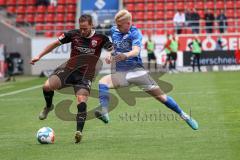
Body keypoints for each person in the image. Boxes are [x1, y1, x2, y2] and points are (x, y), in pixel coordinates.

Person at [94, 9, 198, 130]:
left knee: (161, 97)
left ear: (128, 23)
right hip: (121, 73)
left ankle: (184, 116)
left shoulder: (135, 32)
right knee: (103, 82)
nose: (117, 27)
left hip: (137, 72)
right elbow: (114, 47)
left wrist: (125, 55)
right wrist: (111, 54)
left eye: (120, 25)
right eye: (116, 25)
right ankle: (104, 111)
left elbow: (136, 51)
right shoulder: (114, 30)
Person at [30, 14, 113, 143]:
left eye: (85, 28)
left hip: (85, 76)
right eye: (81, 28)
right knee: (46, 86)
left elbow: (111, 49)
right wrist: (39, 56)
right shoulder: (73, 34)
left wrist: (109, 55)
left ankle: (78, 132)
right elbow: (54, 44)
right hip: (68, 70)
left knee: (81, 100)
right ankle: (48, 107)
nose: (83, 31)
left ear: (92, 25)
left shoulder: (101, 38)